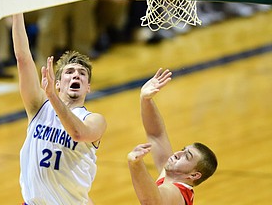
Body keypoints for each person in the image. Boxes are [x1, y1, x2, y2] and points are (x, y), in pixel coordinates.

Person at [12, 13, 107, 205]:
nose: (76, 76)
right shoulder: (39, 105)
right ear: (58, 82)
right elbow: (23, 58)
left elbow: (78, 133)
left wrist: (52, 96)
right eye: (69, 72)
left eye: (82, 74)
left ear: (88, 87)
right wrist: (17, 10)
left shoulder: (94, 120)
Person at [128, 68, 218, 205]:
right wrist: (145, 99)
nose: (177, 153)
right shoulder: (170, 177)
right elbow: (156, 135)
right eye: (183, 149)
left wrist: (135, 164)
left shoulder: (177, 193)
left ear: (193, 175)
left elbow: (151, 201)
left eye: (187, 156)